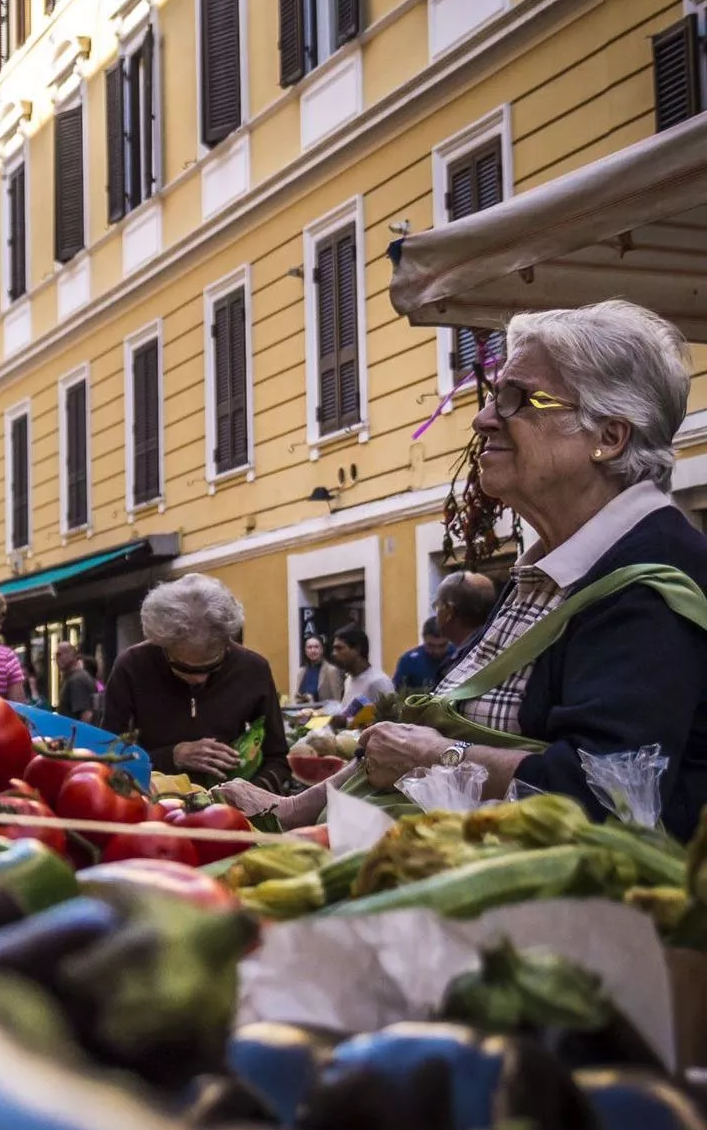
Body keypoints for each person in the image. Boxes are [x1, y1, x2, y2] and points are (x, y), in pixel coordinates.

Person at [219, 300, 707, 836]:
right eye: (495, 395)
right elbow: (426, 729)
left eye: (519, 399)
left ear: (608, 436)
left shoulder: (653, 581)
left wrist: (437, 758)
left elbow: (611, 793)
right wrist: (292, 811)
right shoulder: (554, 568)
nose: (483, 418)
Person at [103, 574, 289, 789]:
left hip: (230, 809)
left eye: (213, 666)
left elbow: (278, 759)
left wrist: (249, 794)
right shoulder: (131, 666)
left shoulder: (253, 669)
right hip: (151, 803)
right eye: (184, 667)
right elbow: (108, 756)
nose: (199, 678)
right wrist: (172, 756)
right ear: (161, 643)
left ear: (228, 641)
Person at [329, 624, 395, 721]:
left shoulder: (378, 682)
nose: (334, 654)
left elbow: (389, 722)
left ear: (357, 649)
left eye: (339, 648)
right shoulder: (349, 680)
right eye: (334, 649)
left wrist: (345, 722)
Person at [434, 570, 499, 664]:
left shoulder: (461, 665)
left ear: (450, 612)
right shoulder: (495, 649)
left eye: (438, 605)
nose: (436, 612)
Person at [392, 618, 453, 691]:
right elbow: (398, 693)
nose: (437, 651)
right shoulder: (408, 661)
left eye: (442, 645)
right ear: (423, 638)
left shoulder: (460, 655)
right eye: (431, 645)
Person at [294, 635, 345, 704]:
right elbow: (297, 698)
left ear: (322, 650)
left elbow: (337, 701)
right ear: (305, 651)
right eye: (309, 647)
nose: (313, 650)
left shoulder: (331, 671)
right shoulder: (301, 672)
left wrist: (313, 699)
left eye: (316, 647)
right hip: (303, 713)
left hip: (325, 713)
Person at [56, 641, 98, 723]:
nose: (57, 659)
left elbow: (86, 715)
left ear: (71, 655)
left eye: (59, 654)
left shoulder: (77, 680)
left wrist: (79, 735)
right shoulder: (75, 677)